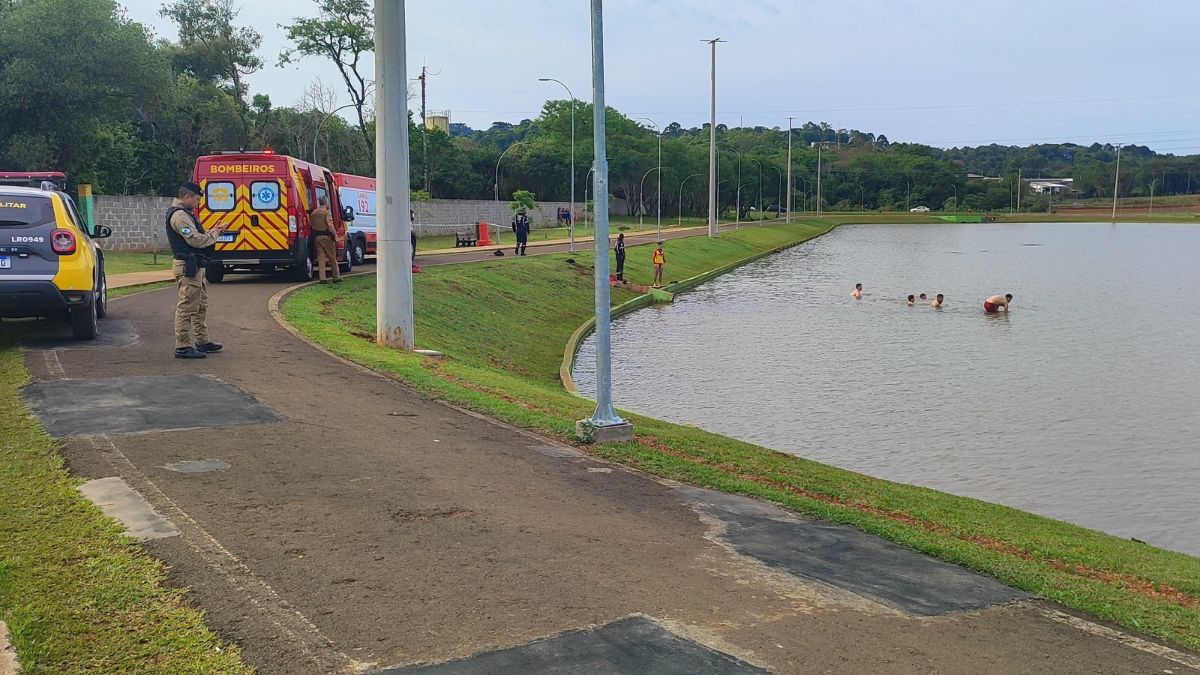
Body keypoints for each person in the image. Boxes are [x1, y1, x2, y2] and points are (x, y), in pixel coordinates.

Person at [165, 182, 226, 359]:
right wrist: (214, 235)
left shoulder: (187, 214)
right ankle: (183, 345)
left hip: (195, 266)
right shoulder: (179, 216)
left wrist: (213, 231)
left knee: (200, 305)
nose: (199, 203)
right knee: (187, 306)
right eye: (197, 199)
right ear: (187, 197)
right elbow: (195, 240)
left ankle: (202, 341)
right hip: (187, 266)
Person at [310, 197, 341, 283]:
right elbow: (330, 225)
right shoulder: (326, 213)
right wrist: (336, 236)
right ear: (326, 202)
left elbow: (312, 226)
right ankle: (336, 276)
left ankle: (322, 278)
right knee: (332, 257)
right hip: (326, 237)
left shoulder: (313, 213)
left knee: (321, 258)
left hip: (317, 237)